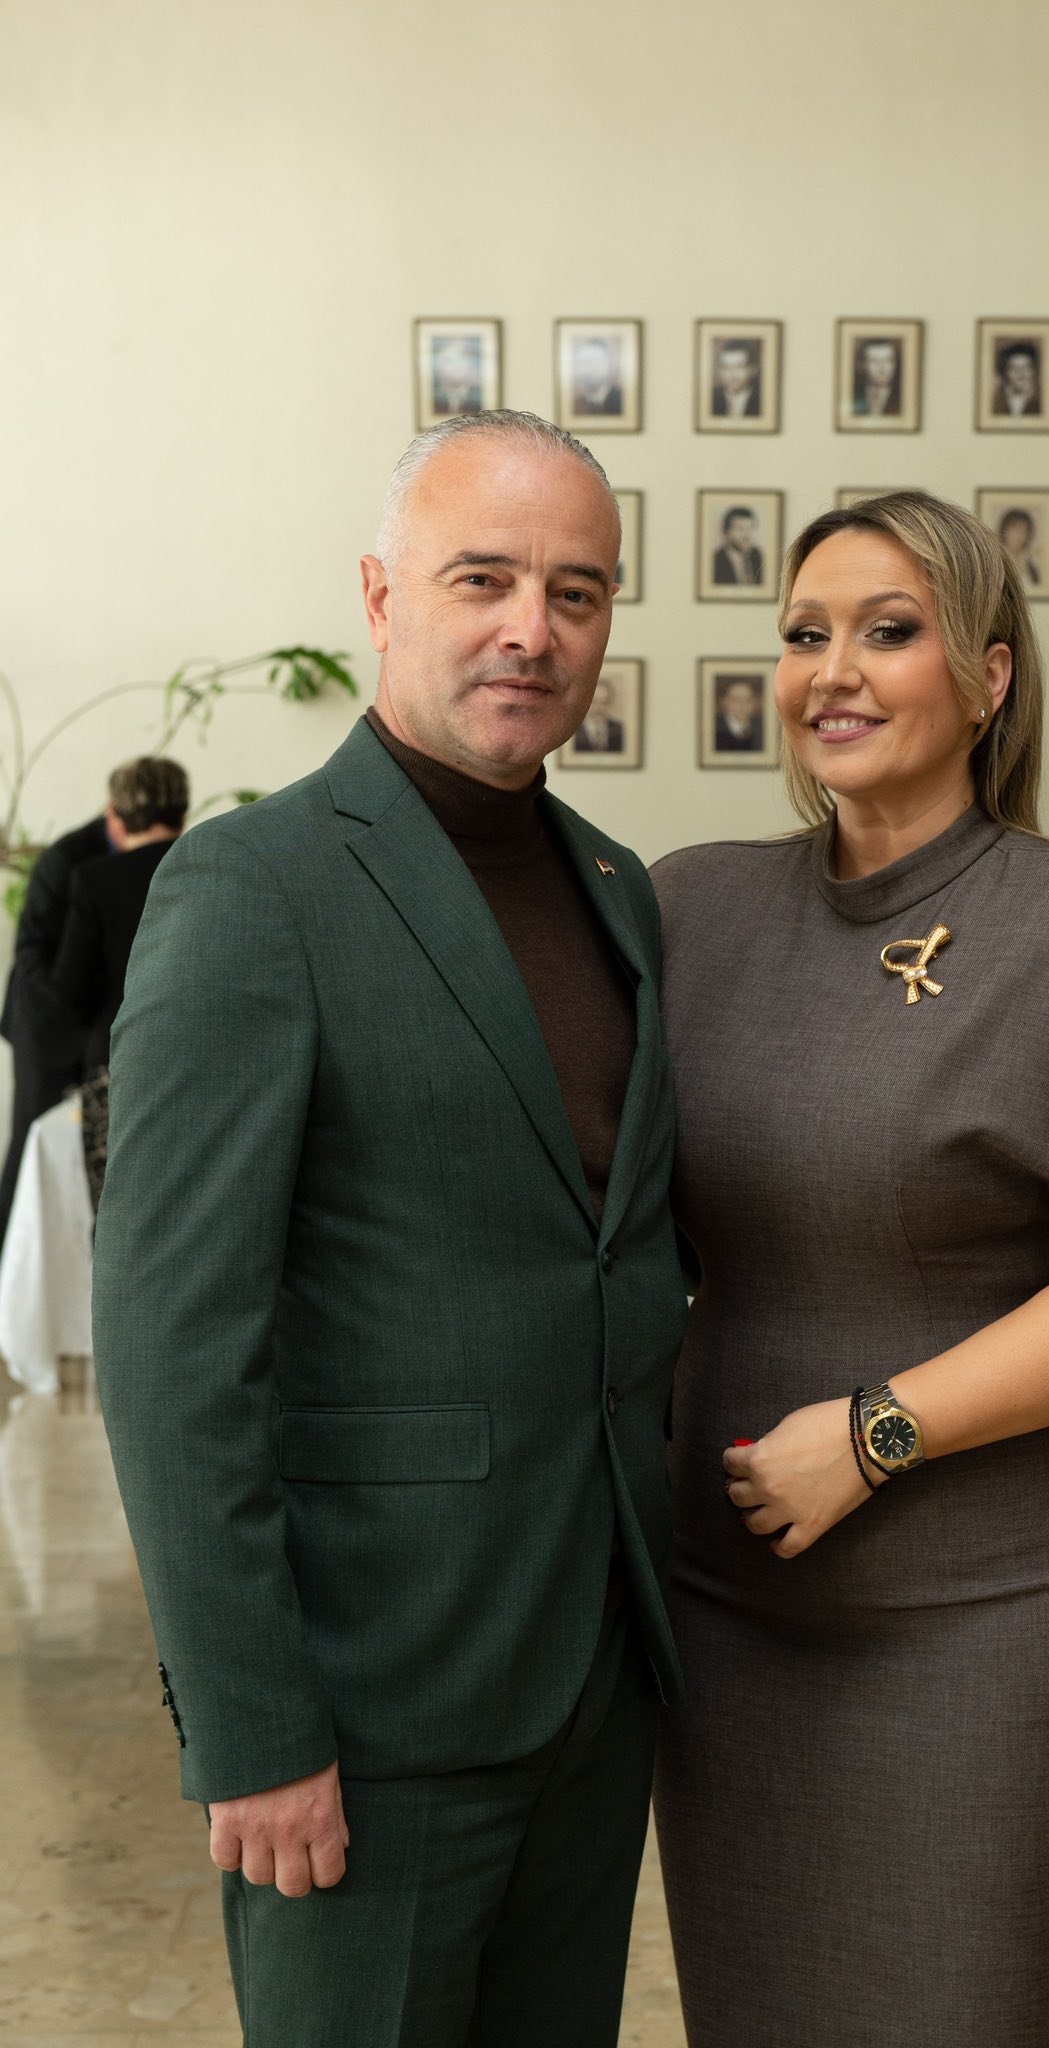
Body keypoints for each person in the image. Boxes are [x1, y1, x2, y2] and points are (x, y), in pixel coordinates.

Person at [93, 410, 689, 2048]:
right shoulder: (255, 887)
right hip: (368, 1711)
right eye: (481, 579)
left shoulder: (618, 888)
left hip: (593, 1676)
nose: (531, 628)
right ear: (379, 595)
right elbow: (169, 1343)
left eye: (576, 592)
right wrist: (251, 1723)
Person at [649, 489, 1049, 2048]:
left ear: (990, 677)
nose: (834, 671)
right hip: (731, 1607)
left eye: (888, 631)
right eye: (805, 634)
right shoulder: (691, 910)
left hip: (1004, 1612)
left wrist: (875, 1434)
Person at [50, 756, 189, 1212]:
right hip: (199, 1061)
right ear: (182, 808)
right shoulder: (211, 867)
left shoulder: (94, 880)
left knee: (117, 1211)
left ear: (117, 814)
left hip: (116, 1068)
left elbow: (68, 990)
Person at [0, 806, 110, 1243]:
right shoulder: (67, 860)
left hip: (80, 1031)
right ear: (115, 814)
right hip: (43, 1030)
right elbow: (34, 961)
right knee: (29, 1150)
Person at [430, 334, 484, 416]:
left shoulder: (476, 396)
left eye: (461, 358)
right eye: (447, 360)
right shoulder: (436, 397)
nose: (455, 367)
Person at [851, 335, 902, 418]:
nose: (882, 368)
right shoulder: (853, 396)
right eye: (874, 361)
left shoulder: (902, 398)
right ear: (862, 365)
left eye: (888, 360)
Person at [709, 339, 762, 419]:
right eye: (726, 367)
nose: (732, 375)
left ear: (753, 369)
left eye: (739, 366)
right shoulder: (710, 398)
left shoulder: (762, 400)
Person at [571, 336, 624, 416]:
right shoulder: (574, 404)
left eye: (595, 362)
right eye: (584, 363)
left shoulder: (623, 400)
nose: (589, 369)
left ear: (609, 365)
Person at [711, 506, 763, 586]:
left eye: (749, 528)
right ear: (726, 532)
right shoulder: (717, 559)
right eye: (740, 529)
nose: (746, 535)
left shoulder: (757, 555)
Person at [574, 675, 625, 754]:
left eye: (604, 702)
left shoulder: (619, 729)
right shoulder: (575, 729)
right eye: (594, 702)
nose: (599, 708)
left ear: (610, 703)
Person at [992, 337, 1043, 416]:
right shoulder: (996, 401)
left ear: (1033, 370)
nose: (1021, 373)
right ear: (1005, 372)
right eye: (1014, 368)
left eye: (1026, 367)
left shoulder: (1042, 400)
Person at [712, 677, 763, 753]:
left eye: (747, 700)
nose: (742, 705)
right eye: (735, 700)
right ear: (724, 701)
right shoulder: (713, 727)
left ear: (754, 702)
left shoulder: (762, 726)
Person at [998, 505, 1043, 585]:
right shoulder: (997, 562)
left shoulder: (1031, 566)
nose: (1019, 536)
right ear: (1004, 530)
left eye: (1024, 531)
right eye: (1015, 529)